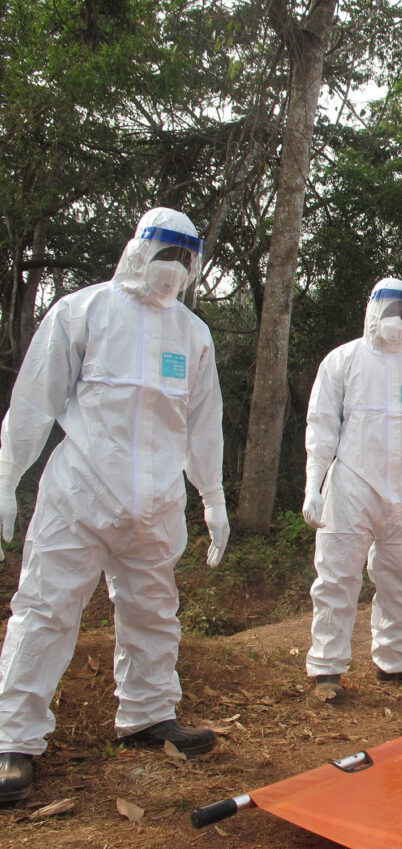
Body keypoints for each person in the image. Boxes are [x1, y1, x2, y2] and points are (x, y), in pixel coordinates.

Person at [0, 207, 229, 802]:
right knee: (46, 609)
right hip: (80, 492)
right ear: (137, 251)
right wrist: (6, 474)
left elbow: (204, 427)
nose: (173, 268)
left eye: (184, 258)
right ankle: (12, 741)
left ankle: (149, 713)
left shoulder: (192, 333)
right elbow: (34, 402)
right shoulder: (84, 311)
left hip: (156, 500)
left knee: (153, 608)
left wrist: (213, 496)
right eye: (164, 254)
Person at [302, 278, 402, 700]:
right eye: (388, 307)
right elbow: (322, 427)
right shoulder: (343, 360)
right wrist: (312, 487)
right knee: (337, 576)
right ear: (372, 310)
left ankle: (397, 660)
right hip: (352, 485)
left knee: (400, 577)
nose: (396, 316)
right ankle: (327, 669)